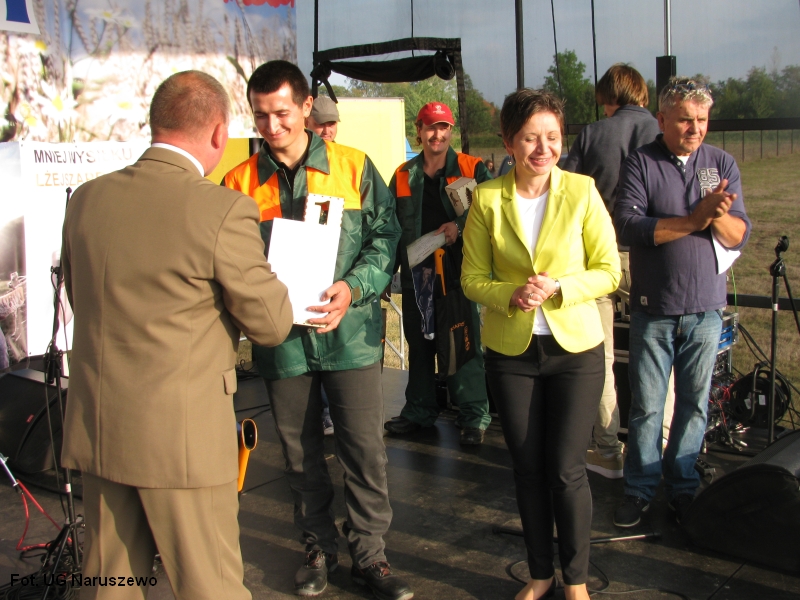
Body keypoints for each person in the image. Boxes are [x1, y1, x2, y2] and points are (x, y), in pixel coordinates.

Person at [60, 71, 294, 600]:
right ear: (219, 133)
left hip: (101, 430)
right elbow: (272, 323)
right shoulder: (222, 208)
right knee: (211, 588)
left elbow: (83, 298)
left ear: (156, 124)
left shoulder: (87, 201)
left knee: (109, 587)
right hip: (183, 444)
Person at [222, 60, 412, 600]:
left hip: (350, 336)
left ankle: (370, 555)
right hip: (281, 343)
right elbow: (230, 261)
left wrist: (353, 287)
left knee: (364, 450)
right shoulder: (238, 182)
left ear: (307, 107)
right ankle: (317, 548)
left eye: (282, 112)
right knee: (299, 453)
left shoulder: (354, 167)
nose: (272, 125)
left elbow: (385, 238)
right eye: (260, 115)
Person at [461, 89, 620, 600]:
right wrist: (511, 293)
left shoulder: (582, 191)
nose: (543, 148)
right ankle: (540, 574)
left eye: (552, 137)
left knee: (567, 470)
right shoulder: (488, 199)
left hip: (575, 351)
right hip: (512, 354)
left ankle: (576, 580)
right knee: (528, 469)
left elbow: (609, 271)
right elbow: (471, 279)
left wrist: (561, 288)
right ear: (508, 141)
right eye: (530, 138)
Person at [613, 77, 750, 528]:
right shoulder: (642, 162)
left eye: (702, 120)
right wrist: (694, 219)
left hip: (706, 310)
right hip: (654, 309)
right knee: (648, 407)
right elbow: (628, 226)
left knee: (693, 406)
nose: (695, 129)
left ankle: (683, 488)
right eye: (685, 120)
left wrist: (717, 214)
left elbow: (739, 234)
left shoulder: (720, 163)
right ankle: (639, 489)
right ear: (662, 119)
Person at [562, 63, 661, 479]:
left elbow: (565, 188)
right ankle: (660, 450)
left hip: (600, 256)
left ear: (609, 96)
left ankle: (607, 451)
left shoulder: (594, 133)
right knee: (658, 354)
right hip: (653, 254)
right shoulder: (662, 130)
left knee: (599, 355)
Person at [383, 101, 492, 445]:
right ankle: (419, 411)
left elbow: (491, 211)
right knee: (419, 344)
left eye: (443, 127)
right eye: (430, 127)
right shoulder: (403, 174)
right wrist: (385, 274)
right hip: (417, 274)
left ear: (451, 131)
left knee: (462, 343)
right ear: (418, 130)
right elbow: (390, 229)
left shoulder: (472, 168)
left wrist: (459, 225)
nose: (437, 134)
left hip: (459, 273)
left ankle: (473, 417)